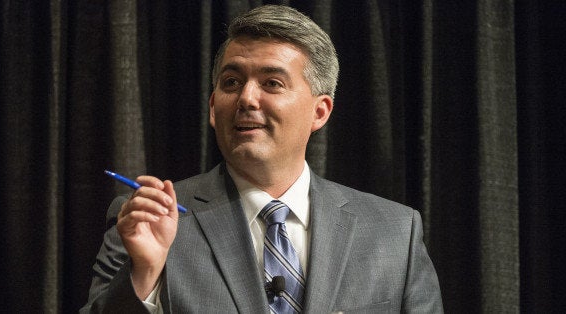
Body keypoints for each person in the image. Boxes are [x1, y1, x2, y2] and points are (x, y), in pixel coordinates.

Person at [81, 5, 442, 313]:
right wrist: (144, 274)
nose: (246, 99)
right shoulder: (147, 219)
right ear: (212, 107)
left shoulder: (395, 233)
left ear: (320, 111)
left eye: (272, 83)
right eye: (231, 82)